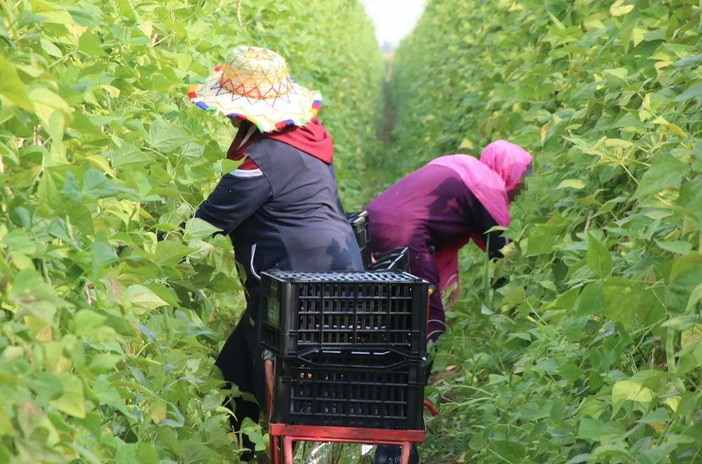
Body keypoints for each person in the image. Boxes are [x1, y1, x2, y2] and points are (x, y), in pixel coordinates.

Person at [187, 45, 363, 460]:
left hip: (296, 289)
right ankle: (261, 451)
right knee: (233, 372)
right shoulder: (308, 143)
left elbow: (203, 225)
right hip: (337, 277)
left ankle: (260, 454)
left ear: (243, 112)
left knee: (243, 381)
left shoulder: (261, 165)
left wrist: (144, 246)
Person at [366, 141, 533, 342]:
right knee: (427, 317)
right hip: (405, 234)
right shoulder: (485, 185)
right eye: (521, 180)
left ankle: (377, 357)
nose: (521, 189)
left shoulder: (460, 167)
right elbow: (502, 252)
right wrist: (528, 289)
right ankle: (412, 370)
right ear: (509, 172)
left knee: (387, 303)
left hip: (369, 223)